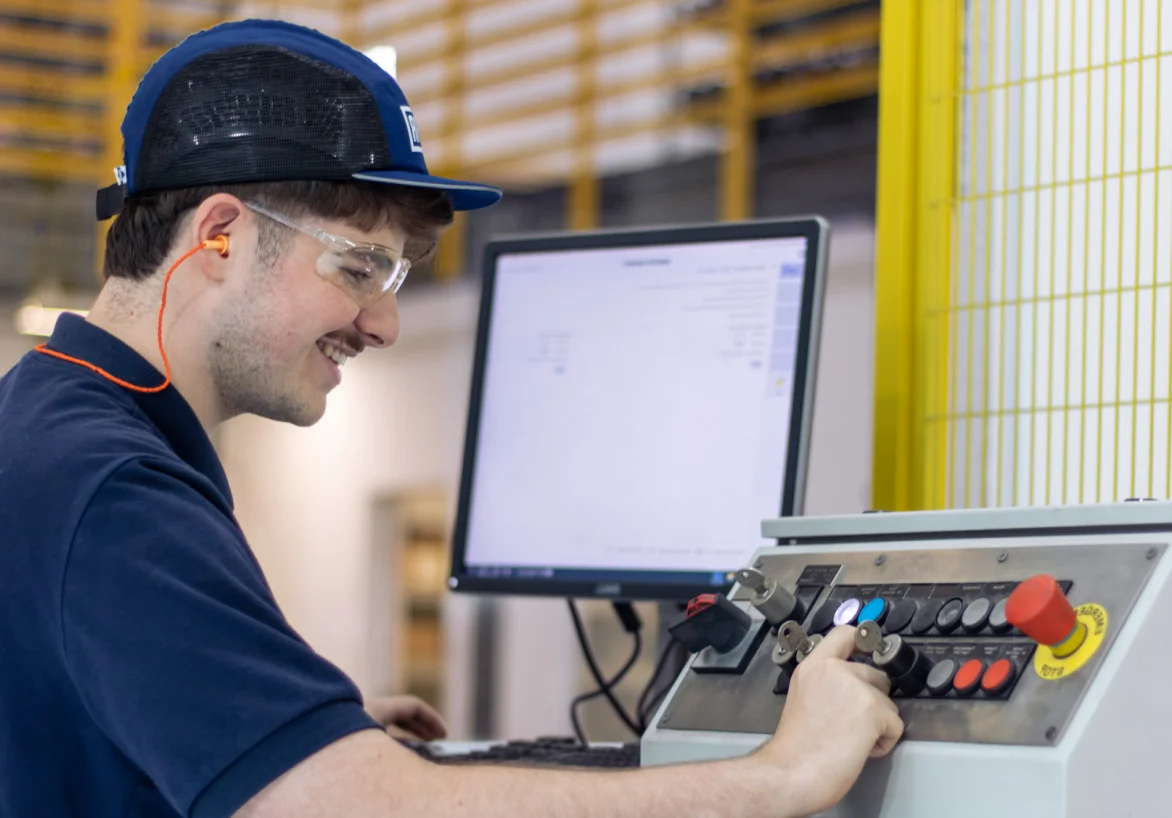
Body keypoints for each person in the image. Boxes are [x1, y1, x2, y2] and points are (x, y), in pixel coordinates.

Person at [0, 18, 903, 818]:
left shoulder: (53, 426)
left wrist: (296, 733)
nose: (383, 322)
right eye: (359, 268)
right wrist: (784, 775)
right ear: (222, 235)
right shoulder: (111, 485)